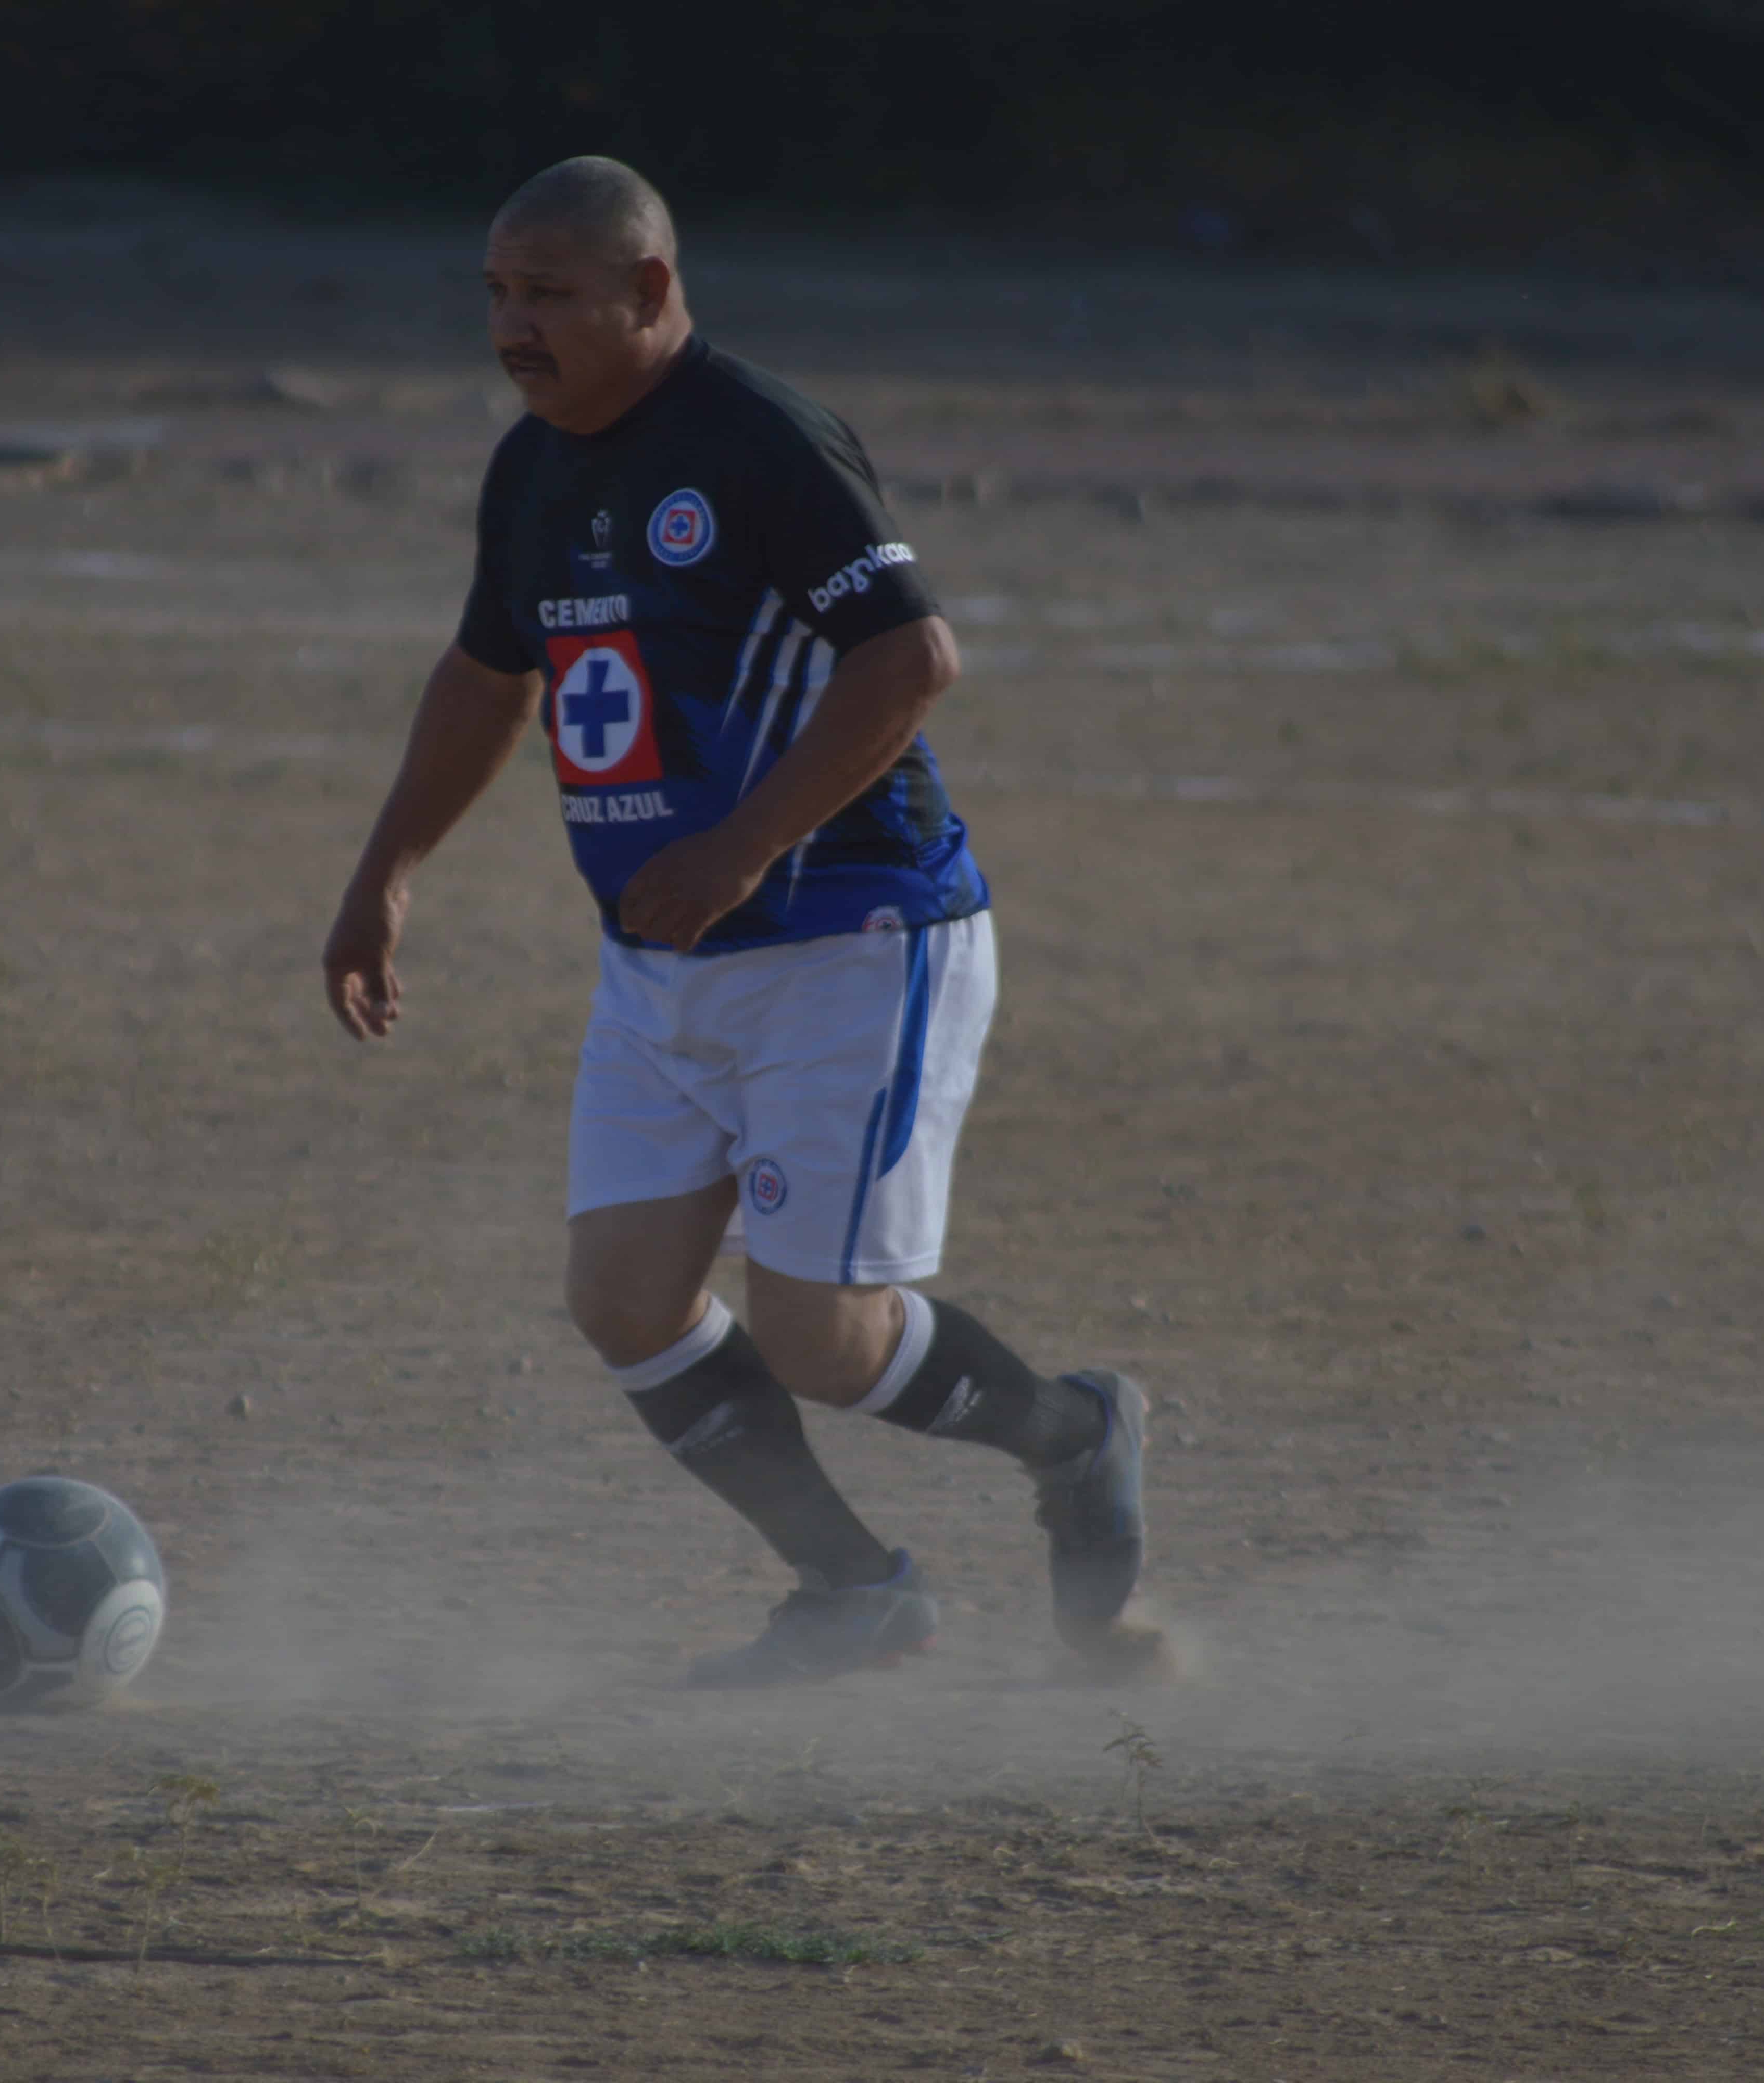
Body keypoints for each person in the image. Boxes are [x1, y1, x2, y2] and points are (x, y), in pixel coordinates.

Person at [320, 156, 1148, 1687]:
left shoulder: (758, 439)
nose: (512, 325)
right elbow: (485, 679)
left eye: (549, 295)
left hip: (851, 934)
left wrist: (743, 846)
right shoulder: (532, 468)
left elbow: (911, 660)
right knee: (625, 1303)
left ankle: (1076, 1436)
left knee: (822, 1342)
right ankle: (856, 1591)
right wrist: (388, 871)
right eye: (497, 293)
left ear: (648, 291)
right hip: (663, 961)